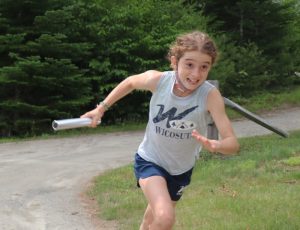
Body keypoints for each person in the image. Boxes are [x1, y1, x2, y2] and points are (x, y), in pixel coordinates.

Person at [81, 31, 240, 230]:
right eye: (189, 64)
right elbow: (130, 82)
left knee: (151, 222)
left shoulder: (210, 95)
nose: (196, 74)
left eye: (204, 67)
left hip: (181, 170)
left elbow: (232, 144)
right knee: (165, 218)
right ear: (175, 62)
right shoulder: (159, 80)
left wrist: (217, 145)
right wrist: (101, 108)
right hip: (150, 160)